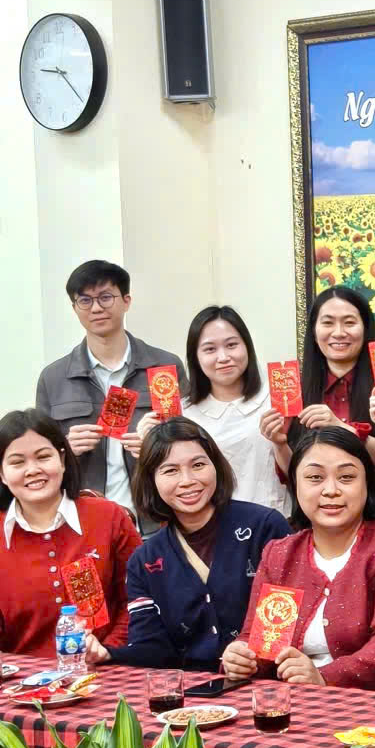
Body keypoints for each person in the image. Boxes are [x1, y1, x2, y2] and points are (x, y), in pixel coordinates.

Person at [220, 427, 375, 694]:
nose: (331, 490)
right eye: (315, 478)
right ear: (296, 485)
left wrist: (323, 678)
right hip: (301, 702)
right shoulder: (279, 554)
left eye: (346, 477)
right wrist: (243, 658)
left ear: (367, 484)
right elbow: (262, 642)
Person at [82, 419, 291, 671]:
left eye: (198, 465)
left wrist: (250, 658)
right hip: (190, 689)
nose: (187, 480)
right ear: (151, 480)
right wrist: (109, 654)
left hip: (267, 681)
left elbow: (283, 619)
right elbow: (152, 649)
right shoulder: (145, 559)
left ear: (216, 466)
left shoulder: (265, 527)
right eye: (170, 470)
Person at [35, 260, 187, 534]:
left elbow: (190, 442)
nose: (96, 308)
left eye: (106, 297)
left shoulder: (165, 367)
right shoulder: (54, 378)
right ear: (74, 308)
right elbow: (37, 457)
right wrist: (63, 450)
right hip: (84, 524)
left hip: (158, 519)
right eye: (85, 300)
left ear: (126, 301)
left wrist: (157, 446)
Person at [0, 409, 139, 656]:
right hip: (20, 675)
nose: (32, 470)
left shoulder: (108, 516)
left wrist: (109, 649)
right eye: (17, 462)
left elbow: (140, 599)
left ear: (62, 459)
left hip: (106, 669)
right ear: (2, 473)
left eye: (43, 457)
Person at [135, 306, 289, 517]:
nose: (223, 357)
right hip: (210, 524)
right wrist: (149, 445)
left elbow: (301, 471)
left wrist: (280, 444)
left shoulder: (278, 398)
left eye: (232, 345)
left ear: (247, 346)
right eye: (210, 349)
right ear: (195, 357)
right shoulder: (182, 413)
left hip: (272, 518)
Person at [260, 286, 375, 475]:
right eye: (327, 323)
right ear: (314, 332)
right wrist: (279, 443)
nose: (339, 332)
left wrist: (339, 427)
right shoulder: (293, 390)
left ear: (366, 329)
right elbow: (294, 475)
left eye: (349, 322)